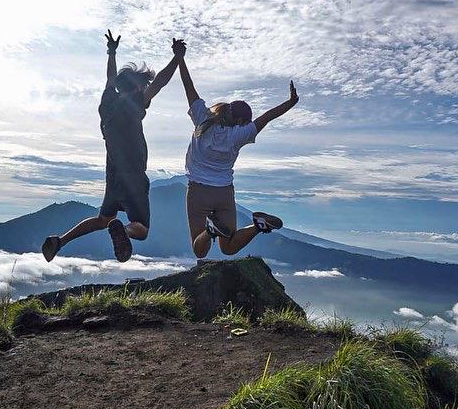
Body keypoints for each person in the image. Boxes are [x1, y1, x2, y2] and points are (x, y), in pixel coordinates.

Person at [42, 31, 186, 262]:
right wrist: (177, 58)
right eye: (142, 86)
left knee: (103, 219)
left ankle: (61, 240)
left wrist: (111, 52)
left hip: (113, 175)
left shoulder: (107, 103)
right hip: (134, 177)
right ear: (138, 88)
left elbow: (110, 78)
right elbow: (159, 83)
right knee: (141, 228)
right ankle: (124, 231)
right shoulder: (134, 103)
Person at [177, 45, 299, 258]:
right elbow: (267, 117)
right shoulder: (239, 135)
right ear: (242, 122)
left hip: (198, 190)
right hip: (224, 192)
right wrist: (290, 103)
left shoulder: (202, 119)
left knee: (200, 250)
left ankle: (209, 231)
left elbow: (189, 86)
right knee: (229, 247)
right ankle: (258, 225)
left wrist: (180, 58)